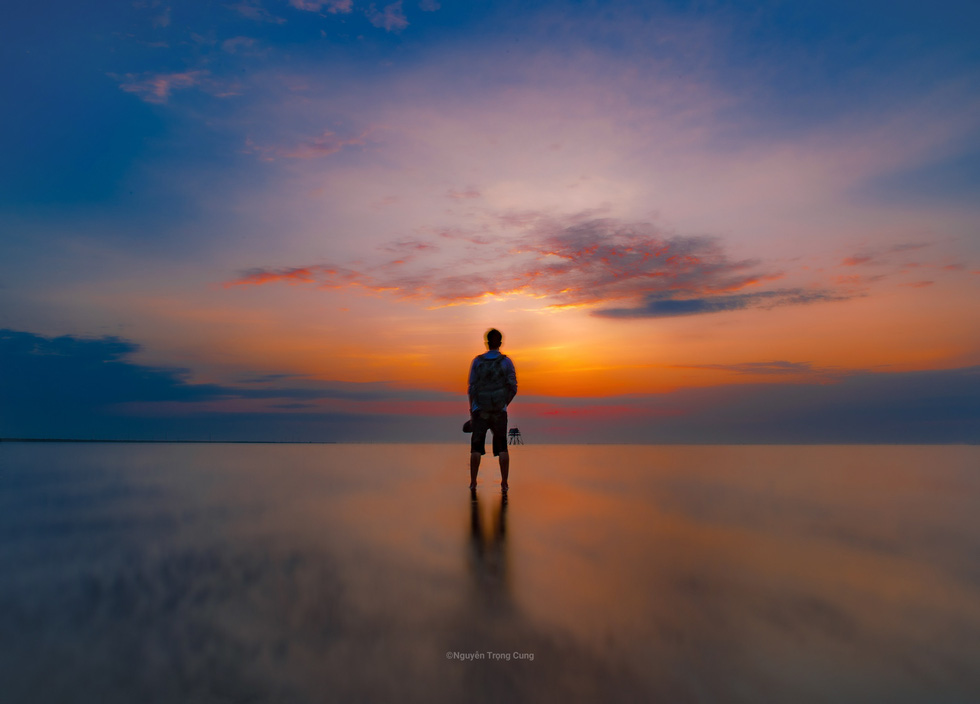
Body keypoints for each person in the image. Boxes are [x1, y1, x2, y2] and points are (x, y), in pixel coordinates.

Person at [467, 328, 517, 492]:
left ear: (487, 342)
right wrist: (503, 404)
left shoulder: (477, 362)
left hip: (479, 409)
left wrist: (472, 409)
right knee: (502, 448)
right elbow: (513, 387)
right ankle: (504, 483)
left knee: (476, 447)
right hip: (499, 410)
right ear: (500, 343)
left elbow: (471, 388)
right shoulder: (506, 362)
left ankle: (473, 482)